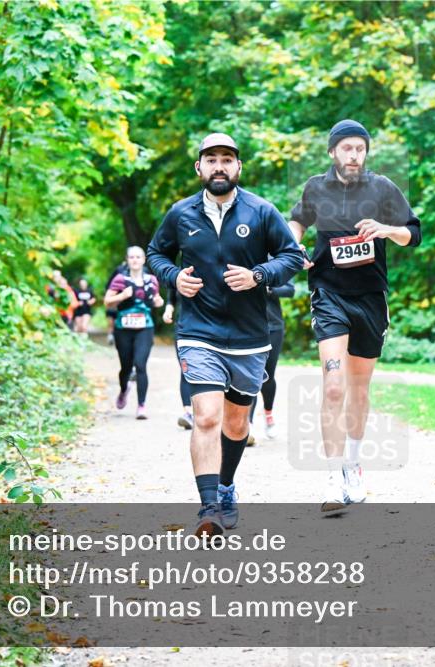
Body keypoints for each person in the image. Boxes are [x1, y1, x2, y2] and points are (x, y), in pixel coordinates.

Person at [148, 132, 304, 537]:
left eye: (227, 159)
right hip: (198, 329)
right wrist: (173, 276)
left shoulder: (262, 211)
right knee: (206, 417)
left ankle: (227, 484)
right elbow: (156, 253)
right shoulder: (181, 213)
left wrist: (258, 276)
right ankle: (209, 508)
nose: (219, 166)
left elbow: (292, 258)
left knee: (236, 426)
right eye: (211, 159)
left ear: (238, 168)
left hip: (250, 334)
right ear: (199, 167)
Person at [287, 119, 421, 513]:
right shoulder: (316, 186)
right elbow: (297, 219)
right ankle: (331, 475)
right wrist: (294, 245)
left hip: (370, 297)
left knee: (359, 388)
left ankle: (353, 464)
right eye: (346, 148)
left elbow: (414, 233)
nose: (353, 155)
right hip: (328, 292)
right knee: (333, 386)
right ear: (333, 152)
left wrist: (386, 229)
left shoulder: (382, 188)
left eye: (359, 149)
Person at [104, 247, 164, 420]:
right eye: (132, 257)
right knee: (126, 367)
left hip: (145, 327)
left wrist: (158, 302)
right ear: (127, 260)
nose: (135, 260)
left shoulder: (151, 280)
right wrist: (122, 295)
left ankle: (141, 405)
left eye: (138, 257)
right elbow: (107, 301)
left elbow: (157, 299)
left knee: (140, 365)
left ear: (144, 259)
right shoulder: (120, 279)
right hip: (123, 329)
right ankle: (124, 390)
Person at [249, 277, 296, 440]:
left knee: (268, 375)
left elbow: (290, 289)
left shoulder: (276, 259)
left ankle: (268, 416)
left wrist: (268, 288)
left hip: (273, 326)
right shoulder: (243, 257)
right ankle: (248, 424)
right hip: (248, 326)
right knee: (250, 376)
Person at [163, 292, 194, 430]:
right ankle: (188, 413)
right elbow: (172, 299)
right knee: (185, 369)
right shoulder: (178, 272)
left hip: (211, 330)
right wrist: (168, 310)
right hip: (183, 328)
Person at [104, 262, 127, 346]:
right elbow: (108, 286)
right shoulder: (119, 270)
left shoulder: (141, 272)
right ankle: (111, 335)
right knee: (111, 319)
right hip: (115, 300)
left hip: (127, 302)